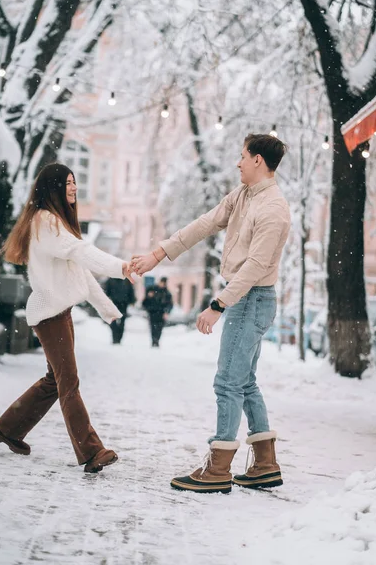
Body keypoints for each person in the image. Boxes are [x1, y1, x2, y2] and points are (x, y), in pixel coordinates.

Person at [131, 134, 291, 493]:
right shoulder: (243, 196)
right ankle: (265, 464)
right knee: (244, 381)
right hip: (248, 298)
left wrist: (219, 304)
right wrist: (158, 254)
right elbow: (205, 223)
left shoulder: (273, 209)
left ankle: (218, 470)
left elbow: (254, 267)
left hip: (251, 298)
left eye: (243, 156)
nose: (237, 162)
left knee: (227, 383)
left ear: (258, 161)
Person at [0, 163, 133, 473]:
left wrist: (107, 309)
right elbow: (83, 253)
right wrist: (121, 267)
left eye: (75, 182)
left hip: (57, 312)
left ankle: (8, 428)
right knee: (69, 382)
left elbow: (80, 271)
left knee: (55, 381)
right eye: (68, 183)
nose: (74, 188)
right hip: (50, 314)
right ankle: (92, 451)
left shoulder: (54, 223)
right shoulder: (46, 222)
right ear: (53, 187)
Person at [141, 277, 173, 347]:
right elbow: (145, 301)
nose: (163, 284)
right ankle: (154, 341)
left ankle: (157, 340)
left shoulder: (167, 293)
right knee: (153, 327)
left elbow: (170, 304)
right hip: (153, 312)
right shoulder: (152, 289)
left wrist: (167, 312)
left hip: (161, 313)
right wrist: (149, 297)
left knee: (159, 328)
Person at [104, 277, 136, 344]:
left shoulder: (125, 280)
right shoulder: (111, 279)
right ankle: (116, 338)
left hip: (123, 304)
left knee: (121, 322)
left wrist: (132, 301)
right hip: (114, 303)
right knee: (114, 322)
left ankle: (118, 338)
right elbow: (106, 291)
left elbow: (130, 291)